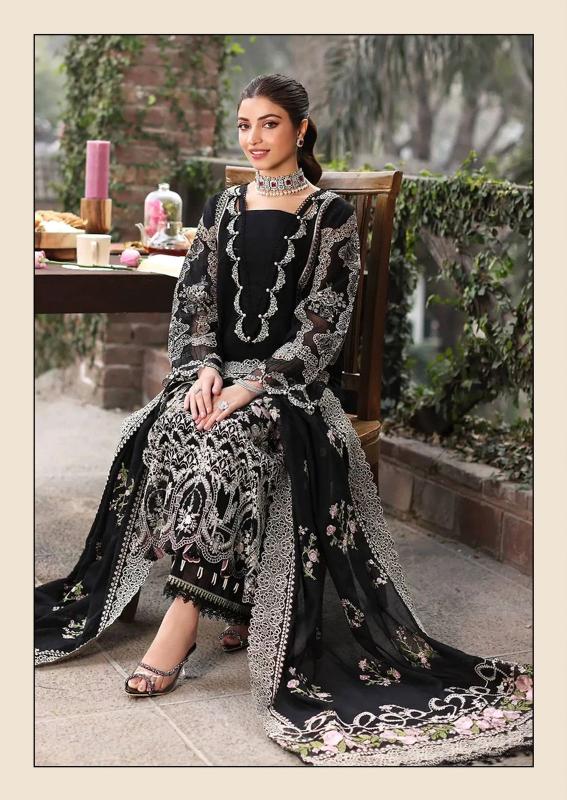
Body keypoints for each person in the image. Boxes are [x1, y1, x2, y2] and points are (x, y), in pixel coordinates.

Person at [35, 73, 533, 766]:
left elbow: (324, 324)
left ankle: (182, 620)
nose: (254, 138)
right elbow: (195, 303)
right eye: (244, 125)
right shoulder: (223, 206)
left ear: (300, 129)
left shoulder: (331, 216)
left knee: (230, 442)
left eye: (268, 124)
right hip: (217, 378)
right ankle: (232, 597)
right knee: (169, 426)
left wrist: (254, 386)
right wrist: (204, 371)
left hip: (290, 390)